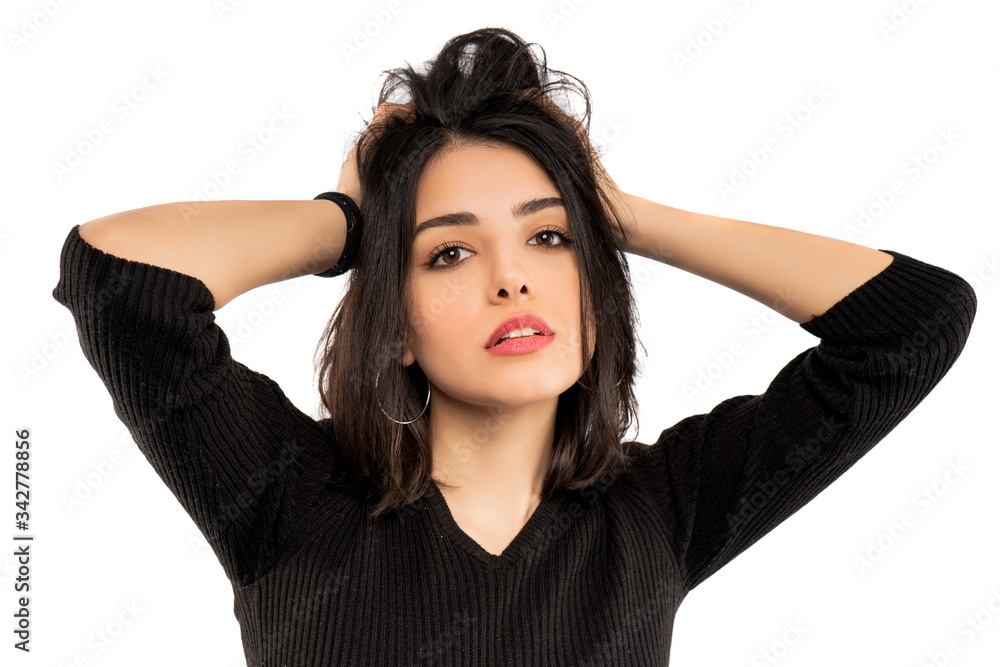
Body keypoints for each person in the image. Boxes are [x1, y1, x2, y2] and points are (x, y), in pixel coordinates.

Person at [52, 26, 976, 666]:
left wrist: (619, 214)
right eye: (448, 250)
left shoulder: (660, 511)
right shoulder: (284, 495)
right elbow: (119, 277)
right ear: (396, 325)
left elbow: (912, 323)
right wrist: (347, 224)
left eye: (548, 237)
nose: (512, 278)